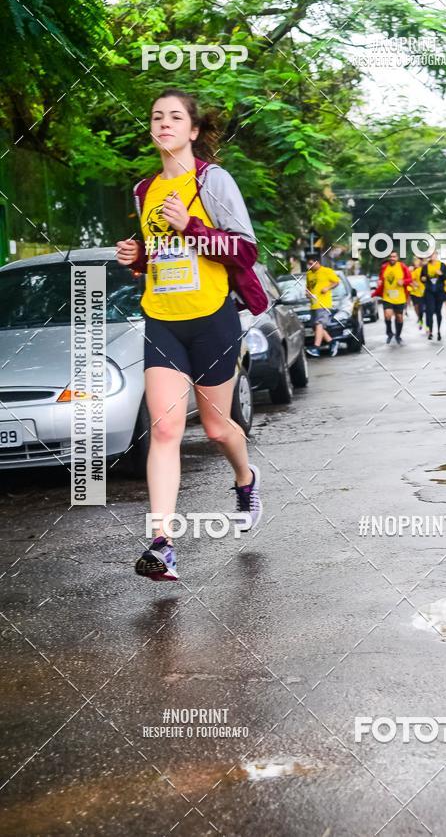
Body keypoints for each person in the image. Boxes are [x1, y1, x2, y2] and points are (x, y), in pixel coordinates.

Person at [116, 89, 267, 582]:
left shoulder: (212, 181)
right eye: (156, 116)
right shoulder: (144, 190)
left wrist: (193, 224)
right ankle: (162, 545)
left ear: (193, 130)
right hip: (162, 317)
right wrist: (137, 257)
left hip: (211, 318)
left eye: (175, 117)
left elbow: (244, 251)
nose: (163, 124)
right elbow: (161, 255)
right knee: (164, 430)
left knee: (219, 428)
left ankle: (245, 480)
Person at [305, 252, 341, 357]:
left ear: (317, 262)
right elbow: (308, 288)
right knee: (316, 328)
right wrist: (307, 294)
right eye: (308, 264)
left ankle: (316, 348)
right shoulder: (309, 274)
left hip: (324, 304)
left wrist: (327, 288)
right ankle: (332, 342)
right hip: (313, 305)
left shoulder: (326, 271)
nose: (310, 266)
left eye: (311, 263)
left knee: (319, 324)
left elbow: (336, 282)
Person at [372, 250, 412, 344]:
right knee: (387, 314)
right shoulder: (384, 267)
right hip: (387, 296)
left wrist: (403, 282)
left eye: (394, 256)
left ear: (397, 258)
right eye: (390, 256)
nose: (392, 258)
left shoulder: (402, 266)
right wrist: (379, 282)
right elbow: (381, 278)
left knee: (399, 317)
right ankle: (389, 333)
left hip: (399, 297)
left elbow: (409, 279)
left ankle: (398, 335)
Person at [421, 251, 446, 341]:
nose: (431, 256)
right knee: (429, 311)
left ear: (436, 255)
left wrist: (441, 274)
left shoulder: (441, 265)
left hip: (439, 292)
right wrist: (423, 279)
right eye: (429, 255)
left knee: (438, 312)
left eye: (433, 255)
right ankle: (430, 331)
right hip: (429, 292)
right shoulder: (425, 267)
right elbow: (422, 277)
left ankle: (438, 331)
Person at [409, 257, 425, 330]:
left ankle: (421, 320)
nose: (416, 262)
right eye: (415, 261)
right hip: (414, 292)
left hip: (423, 292)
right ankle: (419, 318)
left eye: (418, 261)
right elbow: (410, 280)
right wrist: (414, 284)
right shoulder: (412, 270)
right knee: (416, 307)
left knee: (421, 308)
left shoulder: (424, 269)